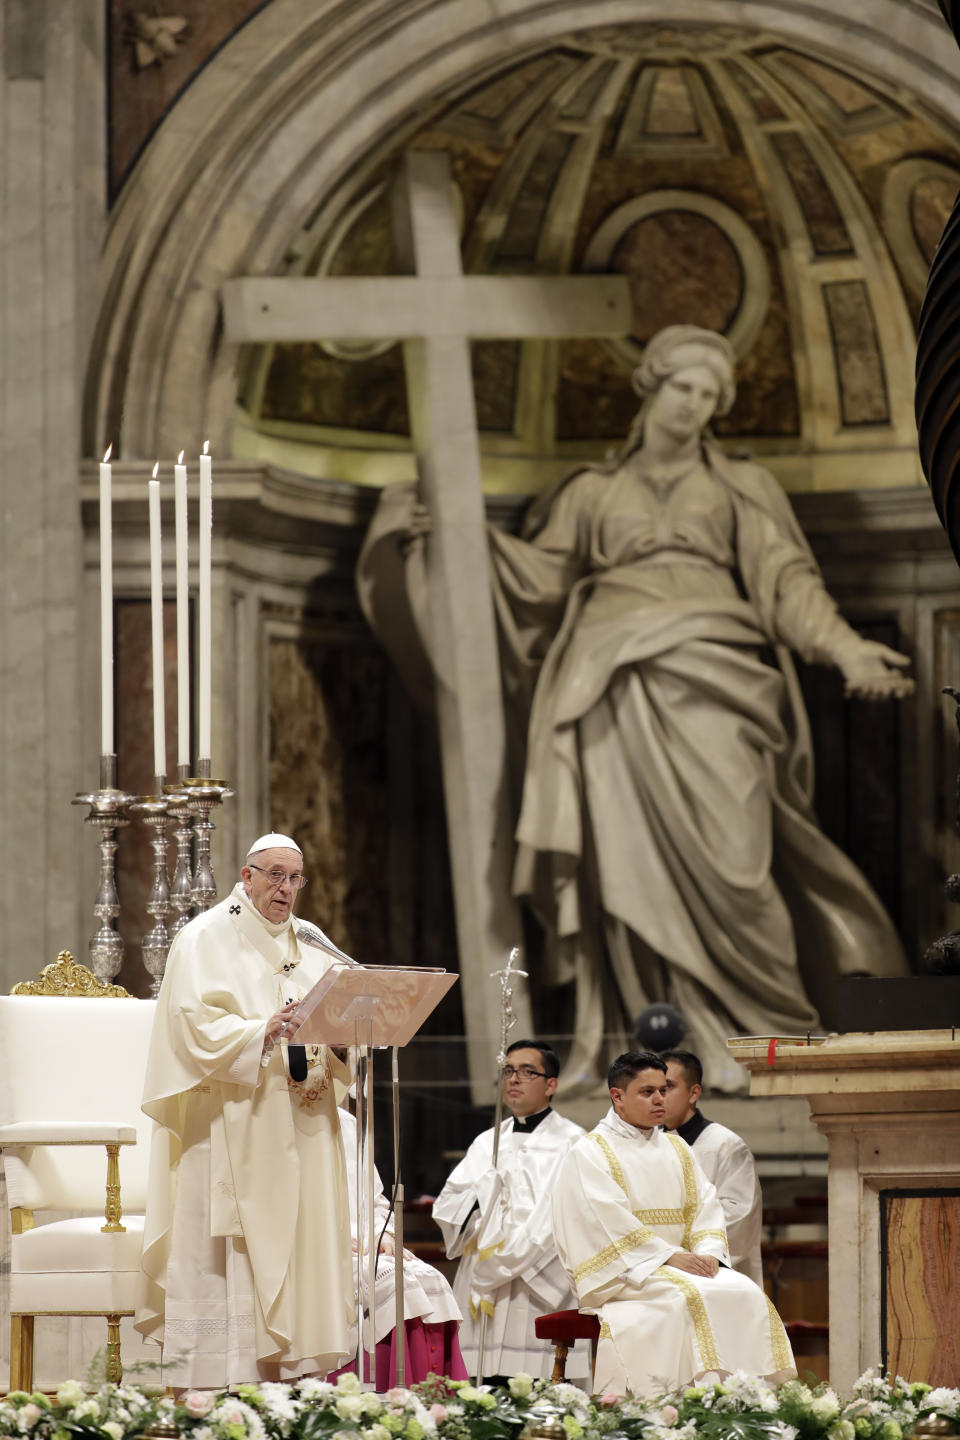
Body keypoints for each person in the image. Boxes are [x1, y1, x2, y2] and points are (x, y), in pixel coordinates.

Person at [358, 324, 913, 1092]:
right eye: (685, 387)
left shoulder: (740, 488)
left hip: (717, 681)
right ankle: (647, 1049)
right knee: (620, 873)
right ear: (651, 385)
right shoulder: (590, 492)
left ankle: (758, 1037)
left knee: (738, 865)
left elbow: (787, 584)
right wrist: (451, 540)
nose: (697, 405)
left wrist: (848, 650)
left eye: (712, 395)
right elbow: (536, 582)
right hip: (606, 687)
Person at [135, 833, 356, 1387]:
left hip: (301, 1121)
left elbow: (340, 1023)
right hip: (231, 1122)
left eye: (295, 878)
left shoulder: (311, 946)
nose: (285, 889)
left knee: (298, 1242)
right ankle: (217, 1381)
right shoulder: (203, 937)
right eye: (275, 875)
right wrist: (263, 1030)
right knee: (230, 1252)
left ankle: (289, 1377)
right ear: (247, 874)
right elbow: (190, 1025)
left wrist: (345, 1043)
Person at [552, 1051, 795, 1398]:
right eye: (646, 1092)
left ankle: (745, 1402)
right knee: (690, 1295)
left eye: (663, 1090)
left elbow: (704, 1207)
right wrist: (667, 1257)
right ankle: (670, 1404)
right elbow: (604, 1221)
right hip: (628, 1273)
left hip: (680, 1265)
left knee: (744, 1292)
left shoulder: (676, 1147)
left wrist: (709, 1252)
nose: (658, 1100)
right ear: (617, 1096)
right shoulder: (591, 1152)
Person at [431, 1039, 587, 1382]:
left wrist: (522, 1249)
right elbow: (449, 1203)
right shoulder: (487, 1141)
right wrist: (482, 1197)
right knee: (484, 1383)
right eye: (509, 1071)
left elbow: (571, 1213)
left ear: (551, 1085)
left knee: (539, 1382)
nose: (514, 1079)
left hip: (538, 1279)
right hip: (486, 1274)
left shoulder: (573, 1142)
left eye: (528, 1072)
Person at [330, 1108, 467, 1386]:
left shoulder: (347, 1123)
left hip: (367, 1242)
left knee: (431, 1278)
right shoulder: (283, 1121)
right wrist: (333, 1238)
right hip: (322, 1247)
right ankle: (392, 1389)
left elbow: (376, 1201)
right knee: (394, 1284)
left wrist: (386, 1235)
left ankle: (430, 1396)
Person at [660, 1049, 764, 1286]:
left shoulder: (726, 1146)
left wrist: (674, 1247)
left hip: (715, 1277)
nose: (659, 1096)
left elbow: (738, 1215)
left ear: (694, 1092)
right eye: (655, 1089)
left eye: (669, 1087)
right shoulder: (648, 1145)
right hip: (661, 1274)